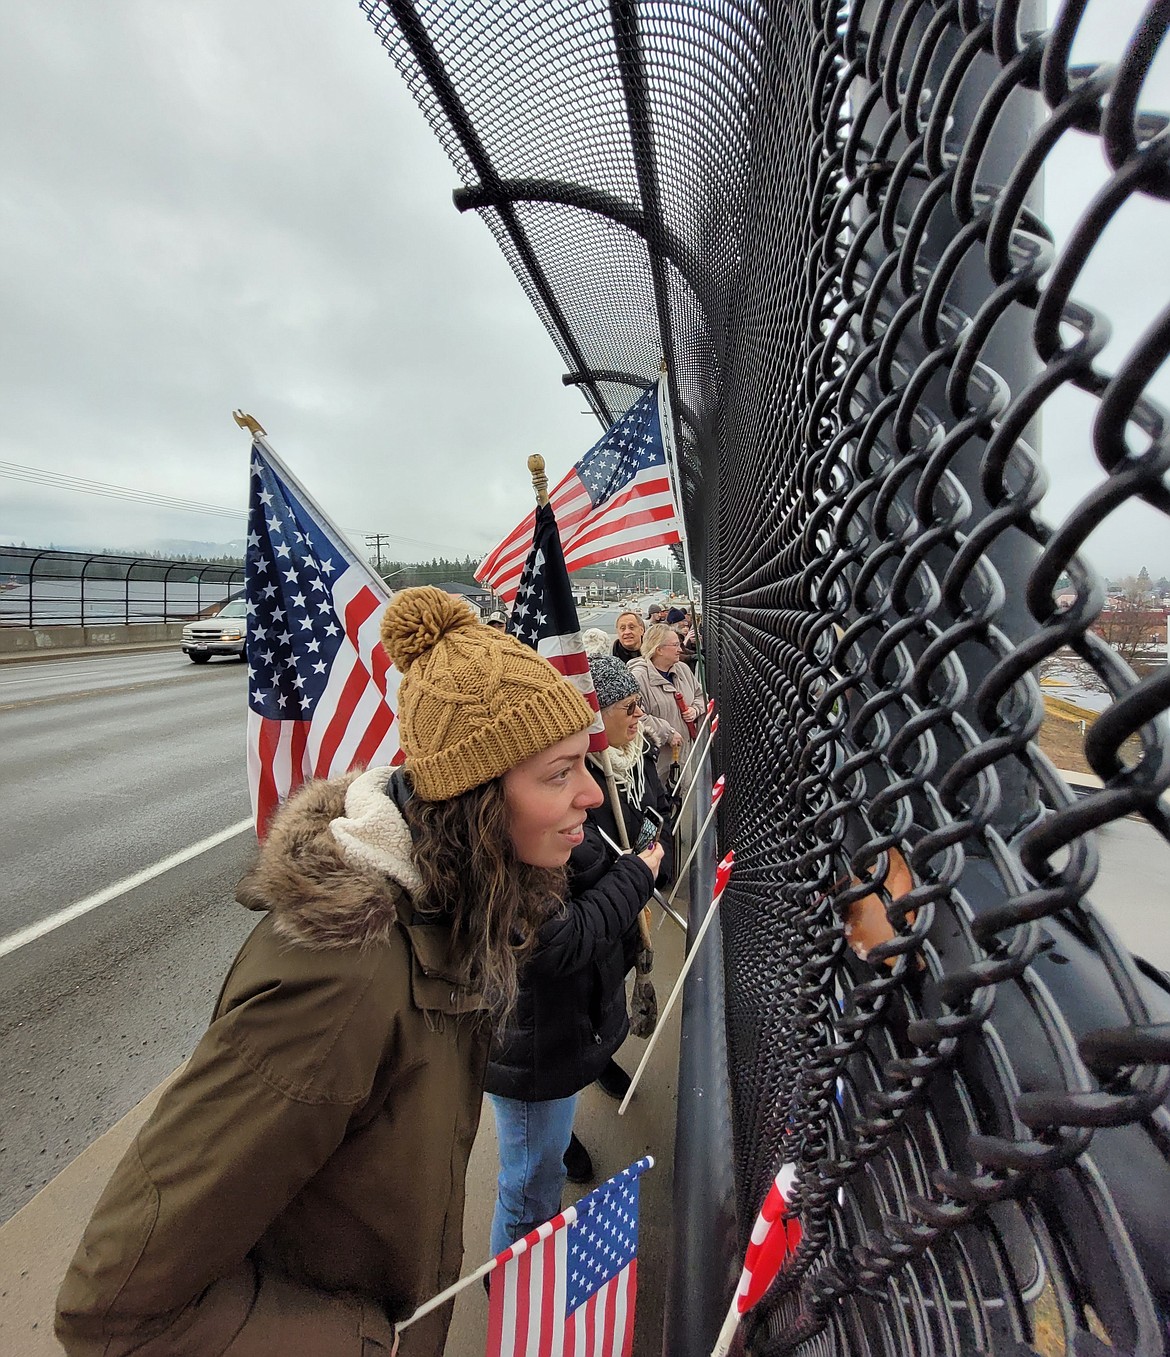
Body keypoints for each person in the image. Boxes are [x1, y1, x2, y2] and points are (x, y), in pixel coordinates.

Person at [55, 587, 601, 1357]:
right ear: (478, 800)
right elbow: (109, 1306)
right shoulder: (339, 979)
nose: (593, 792)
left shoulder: (453, 915)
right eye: (560, 771)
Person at [482, 653, 665, 1251]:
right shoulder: (500, 875)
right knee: (532, 1184)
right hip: (532, 1053)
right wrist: (635, 876)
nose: (590, 790)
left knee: (543, 1159)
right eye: (561, 770)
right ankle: (517, 1306)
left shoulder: (537, 836)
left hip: (560, 1033)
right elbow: (562, 939)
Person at [628, 622, 705, 780]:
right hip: (658, 761)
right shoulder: (639, 678)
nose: (680, 649)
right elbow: (636, 716)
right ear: (659, 650)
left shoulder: (682, 669)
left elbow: (701, 695)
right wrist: (667, 733)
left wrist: (695, 710)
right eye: (675, 645)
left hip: (684, 754)